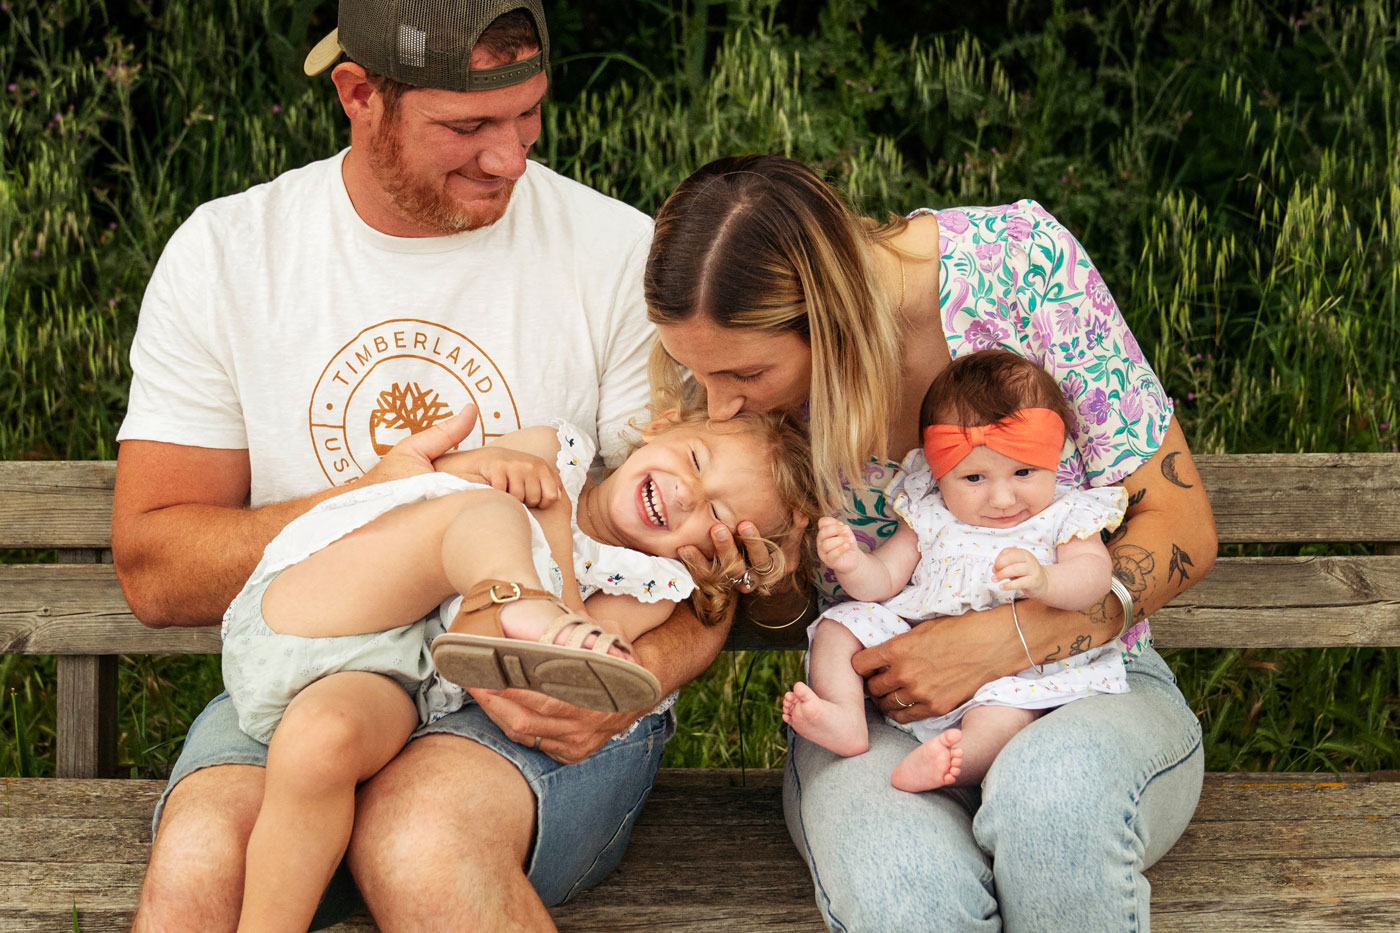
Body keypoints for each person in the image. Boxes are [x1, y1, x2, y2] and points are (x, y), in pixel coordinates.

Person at [112, 3, 771, 929]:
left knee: (419, 839)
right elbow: (155, 568)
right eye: (467, 127)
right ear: (358, 95)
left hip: (533, 703)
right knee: (201, 864)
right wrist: (383, 502)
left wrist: (638, 681)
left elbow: (712, 545)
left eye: (527, 116)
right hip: (332, 668)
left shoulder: (618, 255)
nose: (510, 158)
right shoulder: (229, 256)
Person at [645, 154, 1217, 930]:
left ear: (832, 317)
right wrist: (764, 577)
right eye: (696, 373)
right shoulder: (727, 364)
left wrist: (1000, 642)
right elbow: (795, 613)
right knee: (902, 889)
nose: (717, 406)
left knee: (1053, 812)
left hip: (1089, 682)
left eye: (745, 371)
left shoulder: (1019, 266)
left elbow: (1183, 523)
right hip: (882, 707)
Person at [225, 409, 813, 931]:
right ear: (660, 425)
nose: (688, 493)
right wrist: (498, 472)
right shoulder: (554, 452)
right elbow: (425, 487)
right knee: (486, 512)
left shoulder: (649, 587)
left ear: (715, 553)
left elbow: (581, 651)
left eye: (714, 513)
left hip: (396, 677)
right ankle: (522, 603)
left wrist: (557, 555)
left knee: (324, 742)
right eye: (693, 459)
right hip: (319, 606)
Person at [784, 349, 1129, 793]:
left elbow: (1094, 579)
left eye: (1023, 472)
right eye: (974, 479)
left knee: (1004, 716)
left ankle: (951, 762)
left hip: (1016, 670)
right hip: (915, 641)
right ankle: (845, 716)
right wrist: (852, 563)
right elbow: (883, 581)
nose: (1003, 499)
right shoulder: (929, 513)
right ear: (938, 473)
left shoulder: (1065, 515)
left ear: (1055, 460)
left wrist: (1047, 582)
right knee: (838, 625)